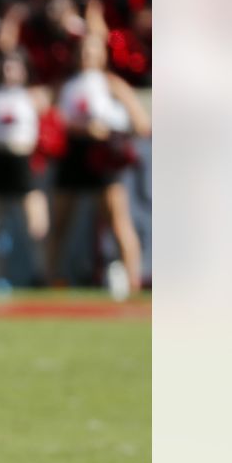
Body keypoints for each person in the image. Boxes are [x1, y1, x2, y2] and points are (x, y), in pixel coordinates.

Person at [48, 33, 150, 297]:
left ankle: (133, 284)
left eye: (92, 51)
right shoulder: (66, 86)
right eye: (82, 51)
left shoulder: (111, 84)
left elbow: (141, 123)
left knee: (118, 223)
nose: (86, 57)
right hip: (73, 156)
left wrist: (108, 130)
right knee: (59, 223)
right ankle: (49, 281)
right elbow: (53, 119)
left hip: (102, 158)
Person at [0, 50, 49, 287]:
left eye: (14, 67)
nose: (9, 72)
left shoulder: (34, 96)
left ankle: (41, 273)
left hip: (22, 160)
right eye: (5, 67)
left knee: (33, 223)